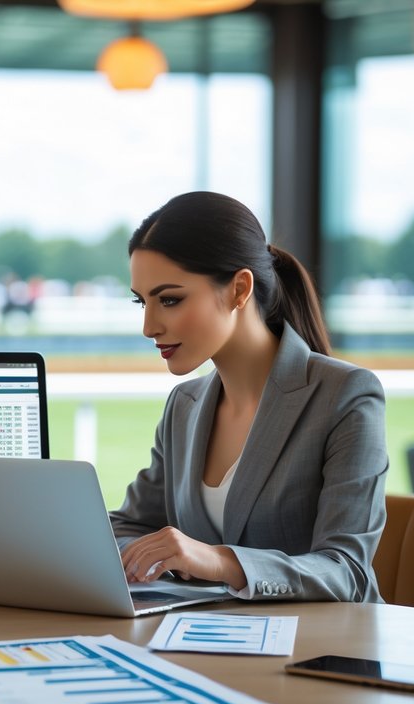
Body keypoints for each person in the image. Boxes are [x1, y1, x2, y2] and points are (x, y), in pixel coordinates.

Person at [111, 191, 387, 602]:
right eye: (142, 302)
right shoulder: (183, 406)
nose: (149, 326)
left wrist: (222, 562)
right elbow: (131, 526)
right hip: (209, 645)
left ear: (240, 289)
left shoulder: (345, 396)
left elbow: (348, 573)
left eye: (169, 299)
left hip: (319, 649)